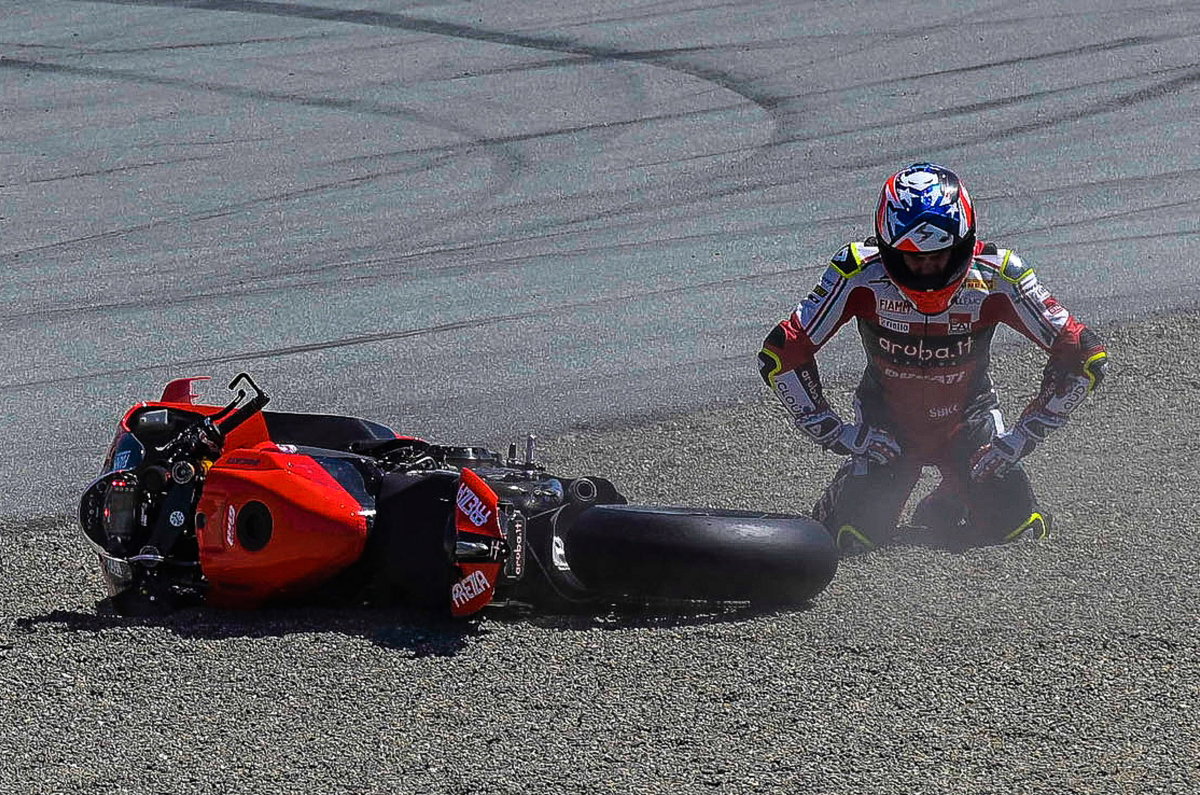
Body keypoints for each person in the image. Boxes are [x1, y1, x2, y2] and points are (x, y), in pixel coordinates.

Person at [758, 163, 1108, 551]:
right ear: (888, 249)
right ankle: (843, 498)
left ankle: (949, 497)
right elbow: (781, 353)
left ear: (963, 243)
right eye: (913, 259)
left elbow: (1085, 354)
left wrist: (1022, 437)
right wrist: (840, 434)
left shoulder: (999, 275)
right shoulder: (856, 271)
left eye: (938, 257)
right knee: (851, 538)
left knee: (1020, 530)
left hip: (969, 425)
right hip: (886, 431)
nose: (926, 269)